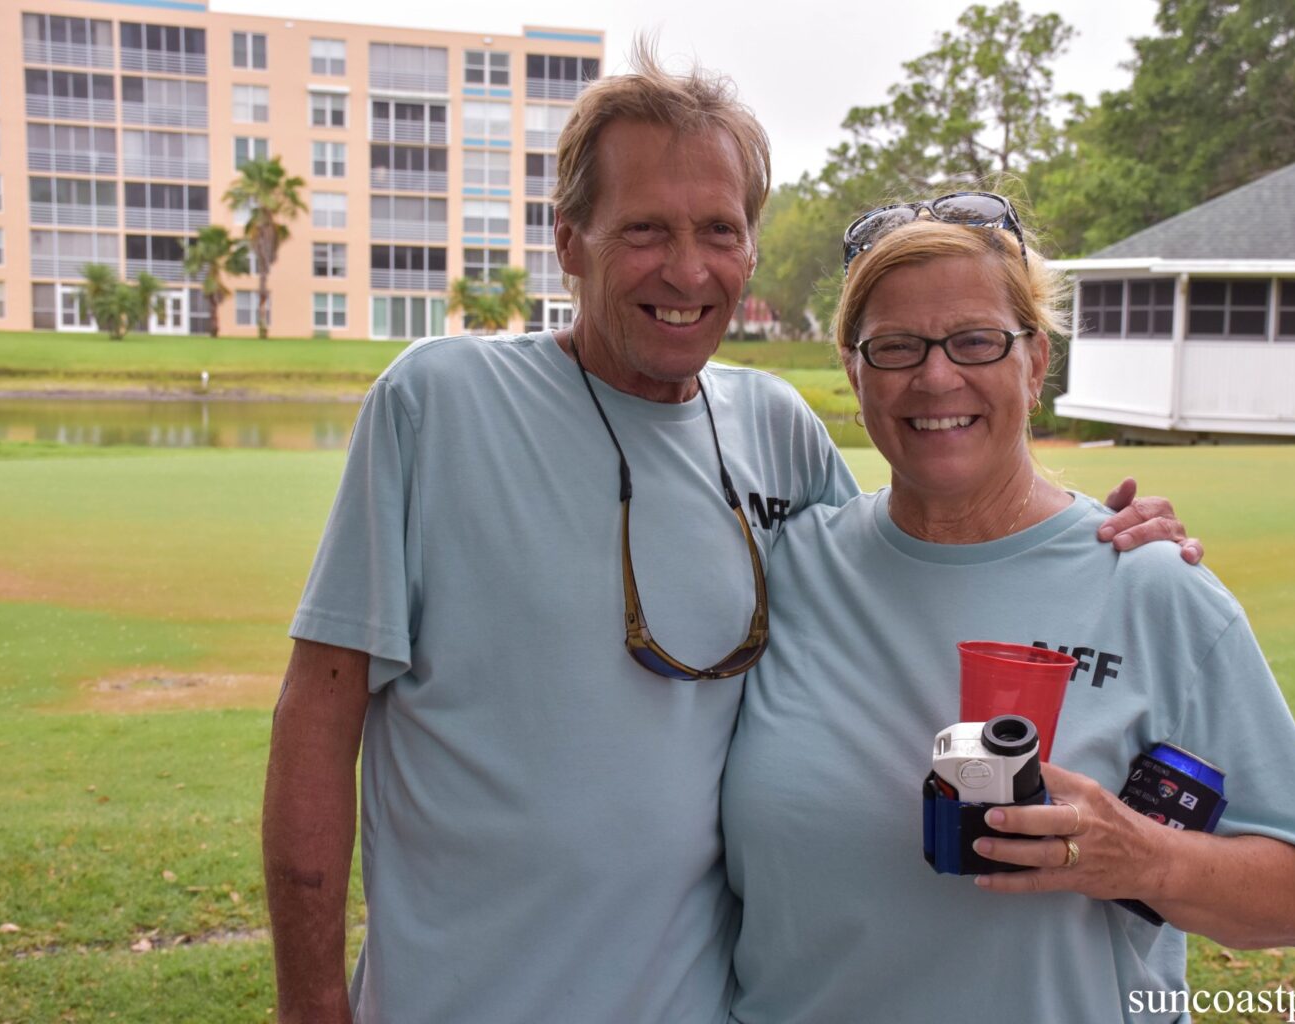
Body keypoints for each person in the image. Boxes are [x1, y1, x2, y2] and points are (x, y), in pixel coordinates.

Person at [261, 52, 1195, 1024]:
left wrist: (1094, 531)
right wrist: (309, 1003)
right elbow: (318, 717)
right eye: (645, 231)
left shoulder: (778, 428)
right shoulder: (438, 404)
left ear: (751, 249)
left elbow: (929, 552)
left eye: (718, 230)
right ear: (568, 241)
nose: (687, 268)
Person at [721, 201, 1295, 1023]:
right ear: (855, 371)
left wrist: (1142, 859)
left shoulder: (1150, 587)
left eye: (977, 340)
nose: (936, 376)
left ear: (1036, 362)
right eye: (896, 348)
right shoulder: (787, 564)